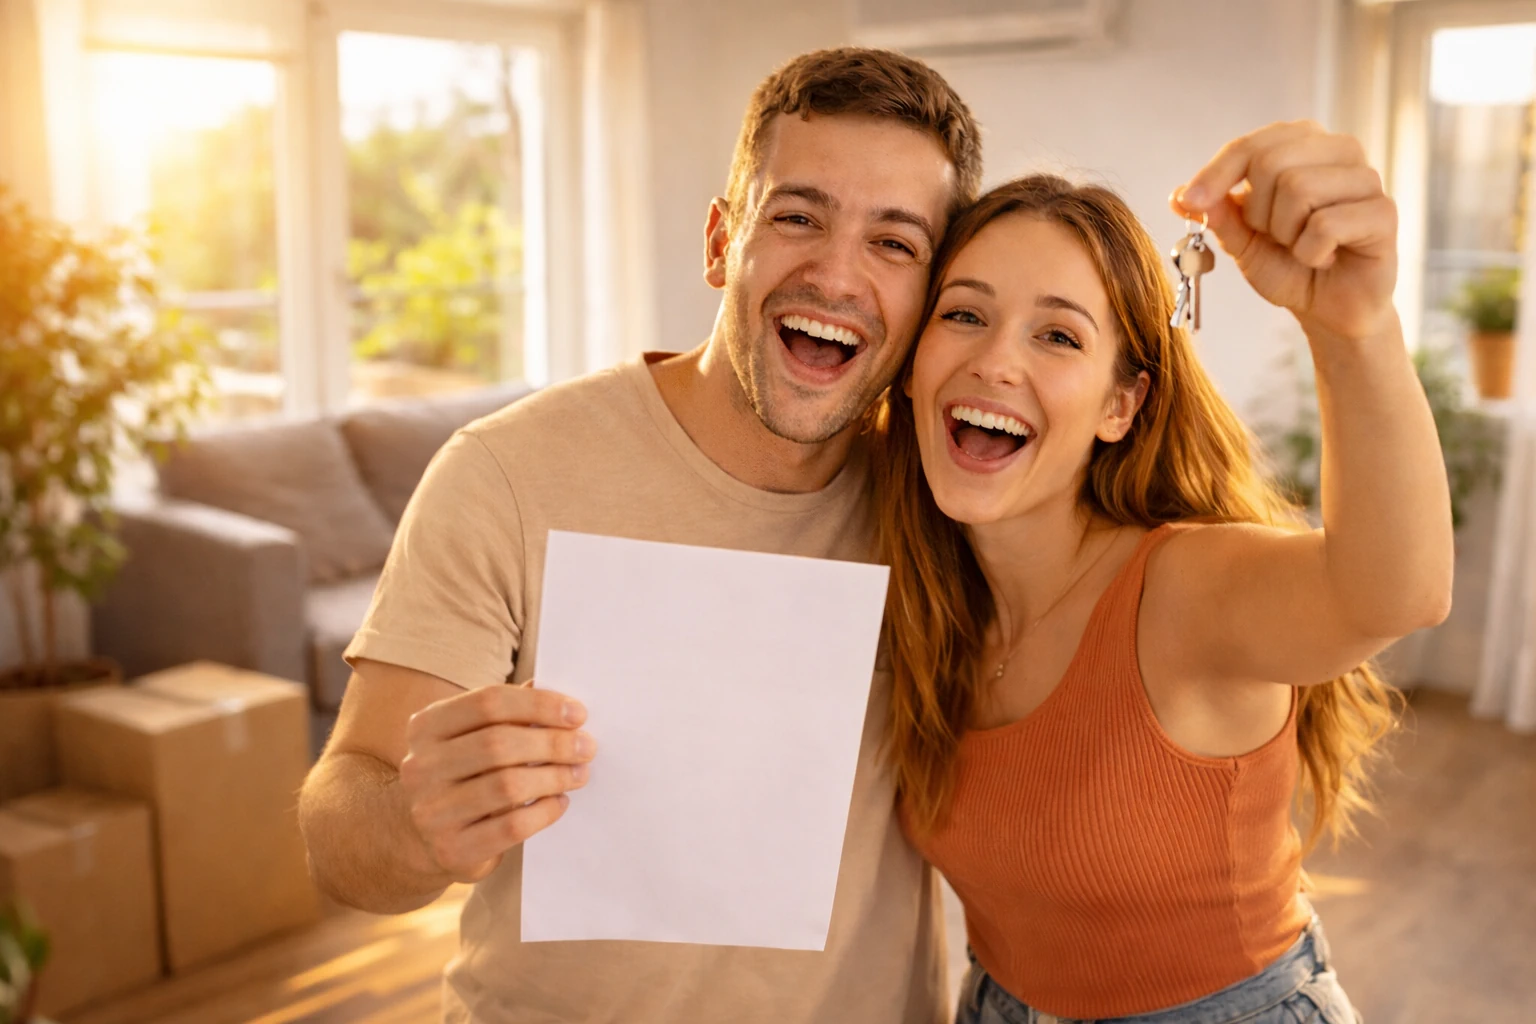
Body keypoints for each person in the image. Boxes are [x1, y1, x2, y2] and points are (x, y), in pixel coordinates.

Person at [297, 48, 982, 1024]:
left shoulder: (945, 502)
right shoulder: (508, 473)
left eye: (894, 243)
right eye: (797, 216)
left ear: (931, 296)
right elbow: (340, 827)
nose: (835, 273)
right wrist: (413, 821)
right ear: (720, 240)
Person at [877, 121, 1454, 1024]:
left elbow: (1397, 590)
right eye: (964, 314)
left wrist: (1352, 323)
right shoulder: (921, 594)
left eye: (1058, 337)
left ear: (1121, 404)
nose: (995, 360)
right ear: (913, 366)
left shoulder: (1181, 586)